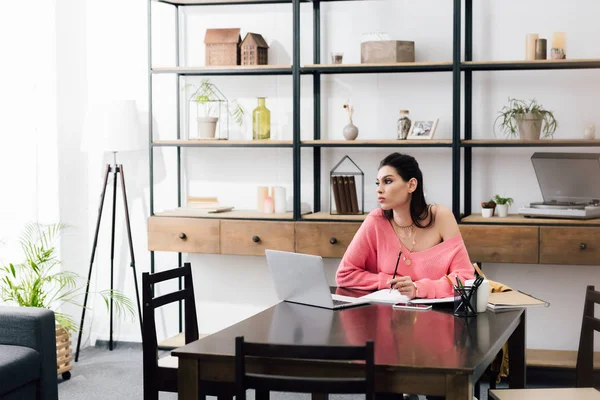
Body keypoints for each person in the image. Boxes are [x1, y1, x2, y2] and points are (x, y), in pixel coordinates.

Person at [336, 152, 475, 299]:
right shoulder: (375, 221)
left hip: (437, 316)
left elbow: (465, 277)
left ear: (411, 185)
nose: (379, 189)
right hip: (388, 316)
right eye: (378, 183)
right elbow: (345, 275)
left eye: (388, 181)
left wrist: (419, 288)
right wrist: (390, 282)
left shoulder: (441, 217)